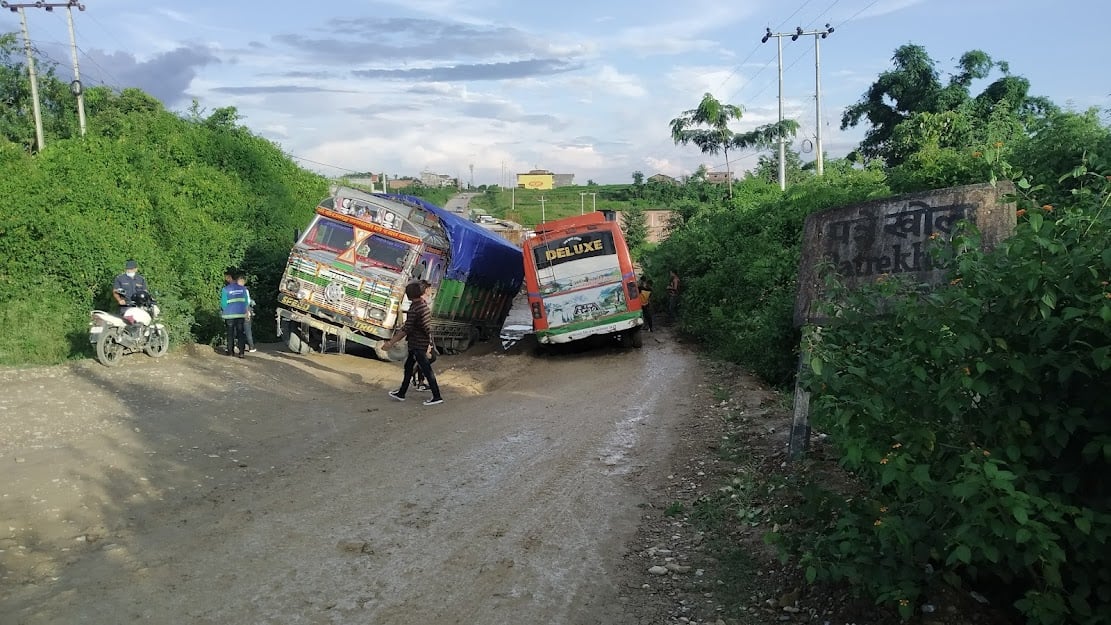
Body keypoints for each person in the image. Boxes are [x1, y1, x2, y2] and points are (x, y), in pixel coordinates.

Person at [382, 280, 443, 406]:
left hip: (419, 345)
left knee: (426, 370)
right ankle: (401, 393)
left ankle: (436, 396)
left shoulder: (417, 308)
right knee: (409, 367)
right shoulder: (419, 306)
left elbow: (408, 329)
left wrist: (391, 342)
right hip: (416, 344)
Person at [220, 268, 251, 358]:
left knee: (230, 334)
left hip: (229, 315)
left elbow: (223, 303)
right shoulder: (243, 289)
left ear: (230, 278)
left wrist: (225, 310)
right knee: (240, 333)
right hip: (241, 314)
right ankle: (241, 353)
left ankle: (230, 352)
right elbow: (246, 302)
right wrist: (245, 311)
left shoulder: (225, 289)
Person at [237, 275, 258, 353]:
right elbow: (247, 302)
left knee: (238, 329)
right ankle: (251, 347)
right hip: (245, 311)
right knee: (247, 330)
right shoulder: (245, 291)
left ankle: (237, 345)